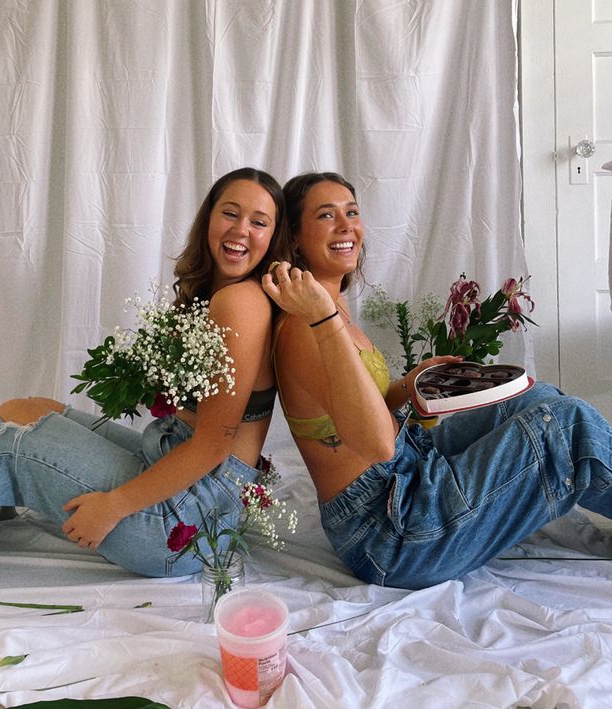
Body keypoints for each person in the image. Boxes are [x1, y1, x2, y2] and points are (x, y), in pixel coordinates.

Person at [0, 167, 291, 577]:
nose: (241, 230)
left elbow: (213, 448)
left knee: (7, 448)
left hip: (186, 520)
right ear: (209, 218)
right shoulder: (218, 295)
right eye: (230, 213)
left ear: (273, 238)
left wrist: (114, 507)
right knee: (26, 410)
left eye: (259, 222)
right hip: (173, 463)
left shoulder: (240, 302)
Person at [262, 171, 612, 590]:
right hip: (392, 532)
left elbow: (350, 411)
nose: (346, 226)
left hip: (406, 475)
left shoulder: (329, 308)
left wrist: (407, 385)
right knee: (568, 425)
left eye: (351, 212)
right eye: (326, 215)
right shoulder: (308, 324)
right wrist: (322, 316)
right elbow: (376, 444)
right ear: (296, 237)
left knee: (535, 398)